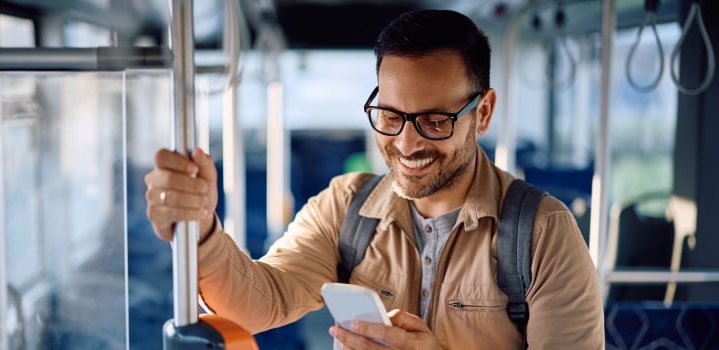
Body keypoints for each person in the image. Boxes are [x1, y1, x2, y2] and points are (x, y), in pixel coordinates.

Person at [144, 9, 604, 349]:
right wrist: (201, 230)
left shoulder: (543, 234)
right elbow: (259, 300)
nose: (405, 144)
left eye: (435, 121)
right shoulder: (346, 207)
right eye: (389, 116)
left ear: (482, 113)